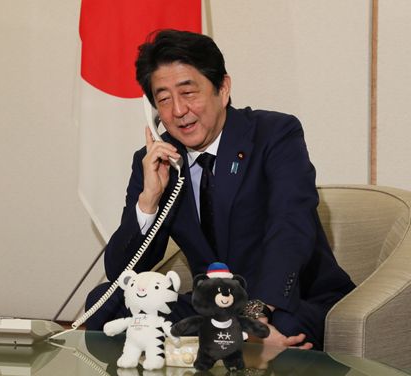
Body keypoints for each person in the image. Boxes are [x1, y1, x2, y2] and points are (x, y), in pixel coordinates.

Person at [85, 29, 355, 350]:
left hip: (288, 300)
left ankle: (223, 342)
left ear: (223, 89)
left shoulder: (274, 134)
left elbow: (291, 227)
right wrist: (149, 202)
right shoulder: (158, 160)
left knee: (278, 328)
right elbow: (122, 272)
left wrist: (256, 313)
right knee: (103, 302)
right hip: (213, 306)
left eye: (188, 93)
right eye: (164, 99)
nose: (178, 111)